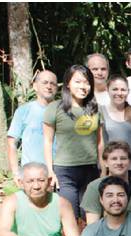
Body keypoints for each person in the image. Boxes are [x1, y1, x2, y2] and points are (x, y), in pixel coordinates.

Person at [43, 64, 102, 221]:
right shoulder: (55, 108)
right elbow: (47, 141)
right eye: (78, 82)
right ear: (68, 83)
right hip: (65, 171)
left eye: (87, 82)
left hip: (90, 170)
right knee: (70, 216)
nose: (83, 86)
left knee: (91, 216)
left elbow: (100, 142)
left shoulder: (96, 109)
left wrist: (103, 169)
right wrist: (50, 171)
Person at [7, 70, 58, 186]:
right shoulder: (24, 111)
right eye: (44, 83)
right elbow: (11, 143)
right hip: (32, 174)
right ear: (35, 86)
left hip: (59, 172)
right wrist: (16, 173)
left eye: (52, 83)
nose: (49, 86)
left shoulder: (62, 111)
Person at [81, 141, 131, 225]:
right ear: (105, 162)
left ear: (130, 162)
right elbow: (92, 225)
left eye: (123, 158)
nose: (119, 163)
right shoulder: (94, 187)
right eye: (114, 159)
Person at [100, 75, 131, 182]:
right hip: (110, 167)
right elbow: (99, 143)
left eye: (123, 90)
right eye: (115, 89)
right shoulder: (100, 111)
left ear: (128, 91)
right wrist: (102, 168)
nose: (119, 93)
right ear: (107, 90)